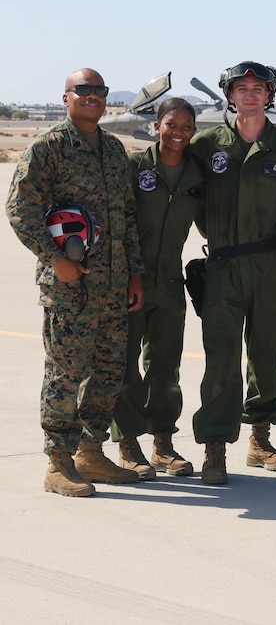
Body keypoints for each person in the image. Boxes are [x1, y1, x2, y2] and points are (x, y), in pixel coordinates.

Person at [6, 68, 146, 497]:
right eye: (82, 90)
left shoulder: (114, 149)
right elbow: (19, 207)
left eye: (99, 91)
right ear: (66, 98)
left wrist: (134, 271)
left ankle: (90, 453)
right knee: (65, 373)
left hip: (114, 284)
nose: (92, 96)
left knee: (107, 372)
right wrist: (54, 260)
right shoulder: (49, 148)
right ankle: (58, 463)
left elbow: (126, 215)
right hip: (70, 286)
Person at [189, 61, 276, 485]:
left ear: (270, 94)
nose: (251, 94)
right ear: (231, 95)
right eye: (242, 88)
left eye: (260, 88)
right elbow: (185, 197)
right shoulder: (206, 146)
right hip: (222, 265)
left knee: (266, 353)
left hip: (270, 262)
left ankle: (260, 439)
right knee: (220, 359)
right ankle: (215, 447)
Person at [111, 98, 205, 479]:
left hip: (170, 282)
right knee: (126, 366)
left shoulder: (198, 175)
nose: (178, 132)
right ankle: (128, 444)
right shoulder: (134, 168)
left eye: (186, 126)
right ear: (156, 126)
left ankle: (163, 443)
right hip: (129, 280)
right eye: (171, 124)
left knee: (166, 368)